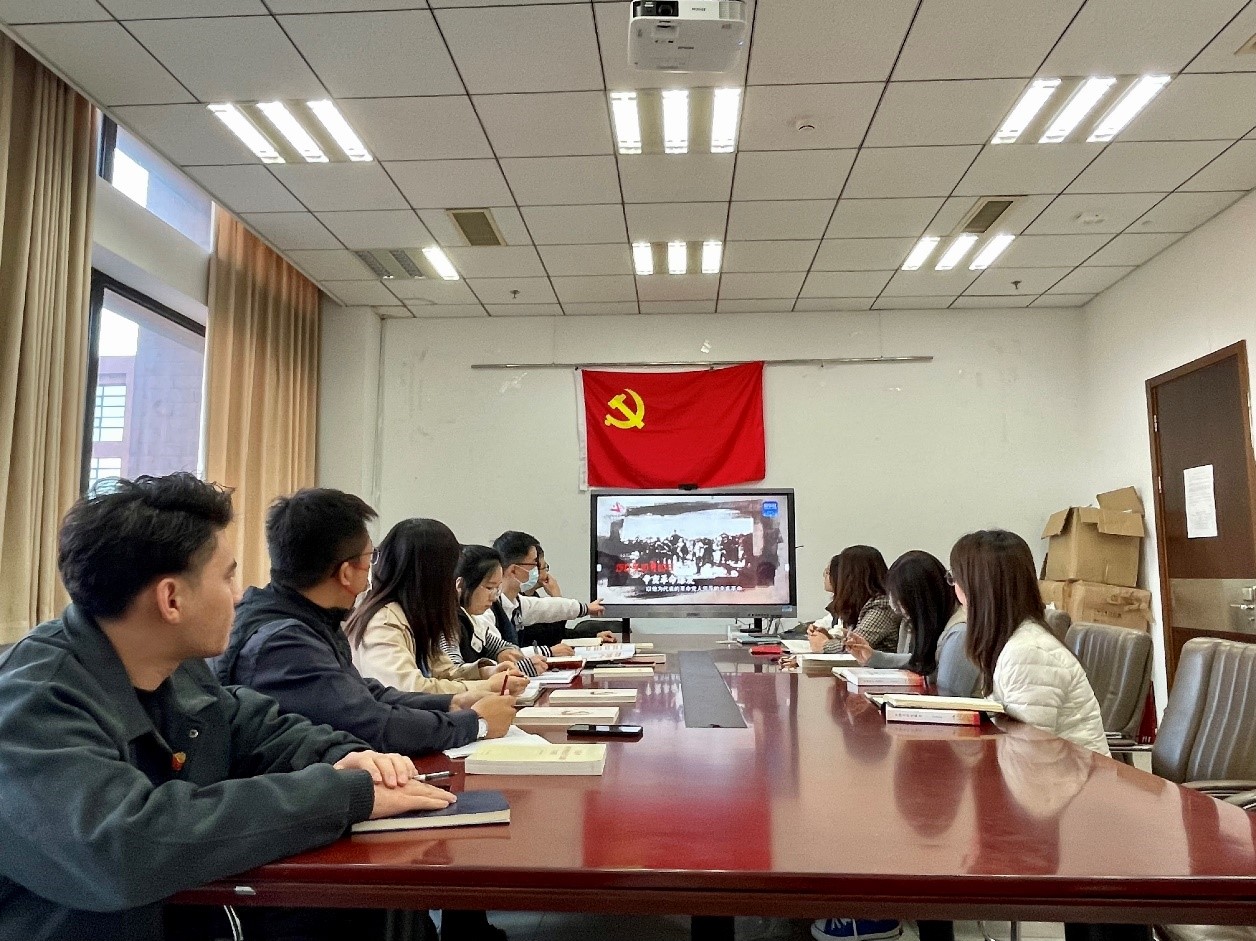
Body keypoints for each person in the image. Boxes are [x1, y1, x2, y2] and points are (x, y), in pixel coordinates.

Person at [0, 475, 453, 941]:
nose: (238, 595)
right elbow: (123, 845)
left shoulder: (172, 663)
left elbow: (246, 722)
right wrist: (339, 795)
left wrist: (343, 755)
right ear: (171, 599)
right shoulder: (33, 701)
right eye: (227, 576)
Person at [213, 488, 517, 756]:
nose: (371, 574)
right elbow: (370, 724)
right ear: (346, 573)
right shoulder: (283, 643)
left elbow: (365, 693)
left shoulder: (311, 618)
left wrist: (453, 702)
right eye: (369, 559)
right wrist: (475, 724)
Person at [949, 529, 1109, 755]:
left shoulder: (1026, 653)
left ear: (977, 588)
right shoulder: (1015, 642)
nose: (954, 589)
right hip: (1056, 771)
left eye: (954, 579)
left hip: (1068, 775)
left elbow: (1030, 756)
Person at [346, 518, 529, 697]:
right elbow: (409, 690)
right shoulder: (384, 622)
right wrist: (487, 687)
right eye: (450, 572)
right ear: (431, 576)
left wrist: (484, 672)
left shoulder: (416, 614)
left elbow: (443, 671)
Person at [843, 551, 981, 696]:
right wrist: (874, 657)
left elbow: (948, 700)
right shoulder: (944, 621)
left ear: (920, 602)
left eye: (902, 603)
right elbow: (927, 661)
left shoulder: (958, 635)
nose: (898, 611)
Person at [491, 531, 607, 656]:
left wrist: (586, 608)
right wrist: (548, 652)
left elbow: (547, 608)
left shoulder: (516, 602)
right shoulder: (490, 609)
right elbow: (500, 656)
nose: (537, 570)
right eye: (534, 564)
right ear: (514, 570)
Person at [444, 545, 550, 677]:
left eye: (497, 588)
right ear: (460, 584)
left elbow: (500, 646)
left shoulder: (472, 620)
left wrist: (504, 652)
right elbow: (453, 673)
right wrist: (517, 668)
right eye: (489, 588)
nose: (494, 598)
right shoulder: (447, 624)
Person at [517, 545, 617, 649]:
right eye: (544, 568)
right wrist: (557, 597)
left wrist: (594, 636)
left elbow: (558, 633)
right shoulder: (518, 603)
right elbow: (552, 638)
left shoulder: (533, 597)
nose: (547, 573)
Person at [807, 546, 902, 654]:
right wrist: (828, 638)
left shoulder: (881, 606)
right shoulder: (861, 604)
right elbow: (850, 641)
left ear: (852, 576)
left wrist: (824, 645)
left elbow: (855, 647)